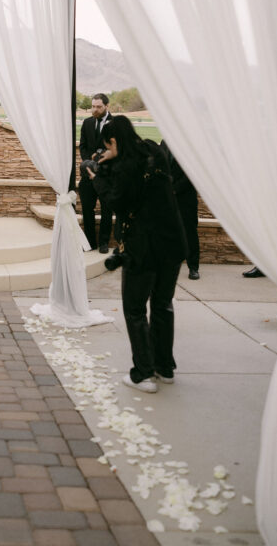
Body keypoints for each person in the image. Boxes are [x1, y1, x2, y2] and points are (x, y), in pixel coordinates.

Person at [88, 116, 187, 393]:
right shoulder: (155, 151)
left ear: (114, 140)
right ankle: (164, 368)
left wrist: (97, 176)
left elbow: (115, 202)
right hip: (172, 241)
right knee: (163, 304)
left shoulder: (124, 168)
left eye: (108, 145)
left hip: (143, 247)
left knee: (134, 309)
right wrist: (112, 160)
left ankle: (142, 373)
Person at [78, 93, 114, 251]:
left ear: (107, 106)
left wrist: (100, 162)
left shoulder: (116, 124)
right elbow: (83, 146)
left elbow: (118, 149)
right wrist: (89, 163)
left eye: (99, 106)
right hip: (88, 174)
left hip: (107, 175)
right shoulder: (86, 123)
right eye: (93, 106)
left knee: (107, 209)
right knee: (87, 208)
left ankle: (104, 243)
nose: (95, 109)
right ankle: (90, 242)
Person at [160, 140, 200, 280]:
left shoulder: (189, 146)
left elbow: (191, 174)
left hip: (185, 198)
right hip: (167, 199)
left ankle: (193, 267)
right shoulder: (164, 143)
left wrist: (174, 189)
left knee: (189, 233)